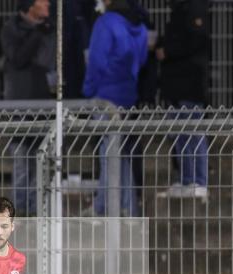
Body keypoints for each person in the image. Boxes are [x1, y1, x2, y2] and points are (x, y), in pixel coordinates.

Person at [83, 0, 149, 217]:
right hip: (127, 93)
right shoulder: (138, 24)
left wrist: (88, 90)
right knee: (121, 153)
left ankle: (104, 205)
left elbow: (97, 60)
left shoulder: (106, 22)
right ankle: (129, 207)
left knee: (108, 152)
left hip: (105, 94)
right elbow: (141, 59)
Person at [2, 0, 55, 216]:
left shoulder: (51, 28)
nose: (48, 4)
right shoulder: (11, 28)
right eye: (43, 1)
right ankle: (20, 211)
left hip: (44, 102)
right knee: (22, 161)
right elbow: (18, 58)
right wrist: (36, 34)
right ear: (30, 5)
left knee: (40, 160)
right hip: (21, 104)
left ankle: (36, 211)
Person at [156, 0, 209, 200]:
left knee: (193, 132)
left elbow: (197, 40)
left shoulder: (195, 8)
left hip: (189, 84)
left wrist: (168, 51)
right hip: (176, 86)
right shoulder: (180, 10)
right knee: (180, 135)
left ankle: (199, 181)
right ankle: (187, 179)